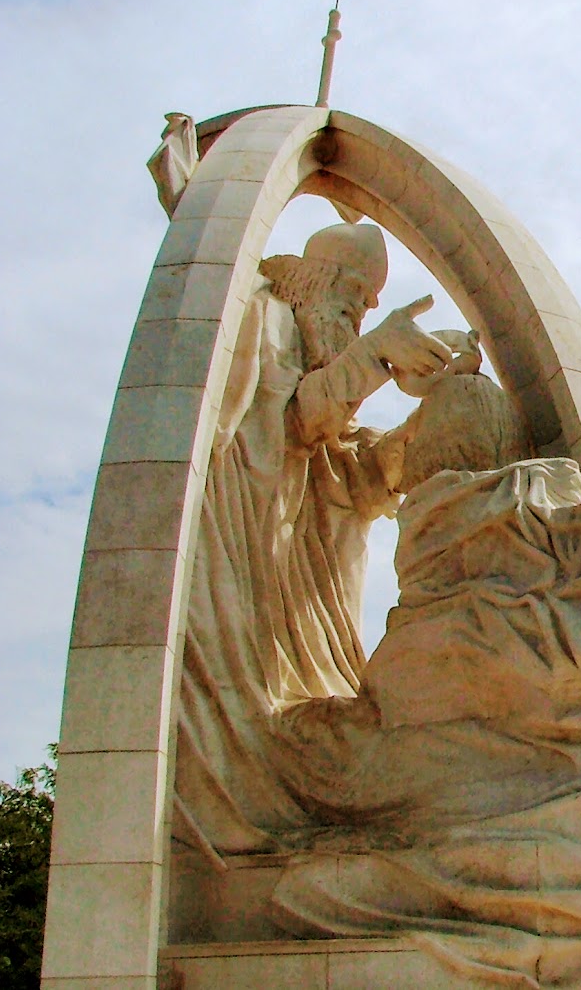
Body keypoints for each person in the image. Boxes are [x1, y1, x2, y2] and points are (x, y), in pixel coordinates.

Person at [173, 222, 450, 855]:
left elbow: (348, 474)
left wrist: (427, 417)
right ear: (315, 281)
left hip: (307, 598)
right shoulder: (264, 322)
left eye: (371, 302)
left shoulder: (315, 347)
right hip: (249, 576)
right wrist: (377, 355)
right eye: (357, 293)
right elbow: (292, 419)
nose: (367, 307)